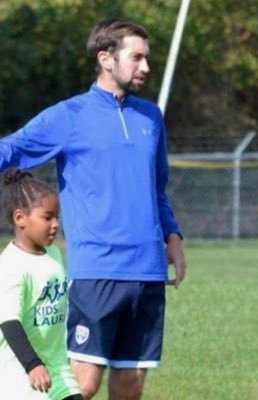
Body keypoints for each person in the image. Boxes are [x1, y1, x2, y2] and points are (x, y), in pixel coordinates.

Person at [0, 18, 187, 400]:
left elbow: (157, 188)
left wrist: (173, 236)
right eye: (136, 58)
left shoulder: (151, 117)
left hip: (148, 270)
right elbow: (12, 150)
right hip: (96, 270)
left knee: (130, 386)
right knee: (81, 385)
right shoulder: (69, 116)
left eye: (147, 58)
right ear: (105, 58)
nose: (145, 67)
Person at [0, 168, 82, 400]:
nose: (55, 224)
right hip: (22, 378)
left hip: (58, 371)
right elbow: (9, 322)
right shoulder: (11, 266)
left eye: (57, 217)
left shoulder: (53, 254)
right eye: (48, 217)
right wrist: (33, 365)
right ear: (20, 218)